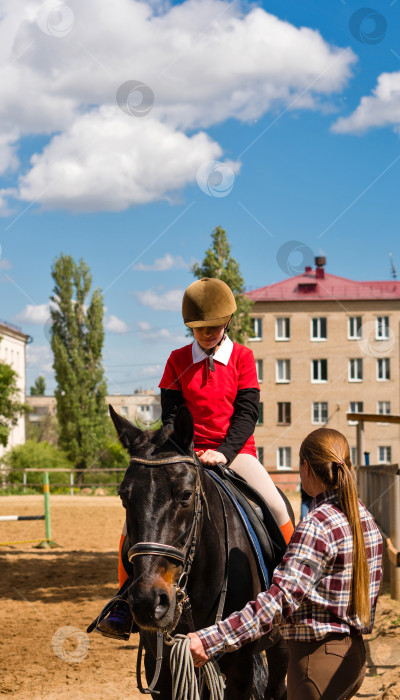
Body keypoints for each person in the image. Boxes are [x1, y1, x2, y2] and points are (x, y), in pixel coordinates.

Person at [96, 277, 294, 639]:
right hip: (183, 455)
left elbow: (247, 414)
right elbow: (171, 415)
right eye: (199, 328)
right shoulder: (176, 359)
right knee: (131, 528)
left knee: (278, 509)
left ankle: (291, 599)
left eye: (213, 327)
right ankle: (124, 604)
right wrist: (182, 451)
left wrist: (224, 452)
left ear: (227, 323)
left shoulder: (243, 358)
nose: (206, 333)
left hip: (235, 454)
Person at [189, 427, 383, 700]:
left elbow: (277, 602)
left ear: (305, 467)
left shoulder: (317, 525)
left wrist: (208, 640)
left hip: (315, 666)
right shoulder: (364, 517)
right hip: (353, 658)